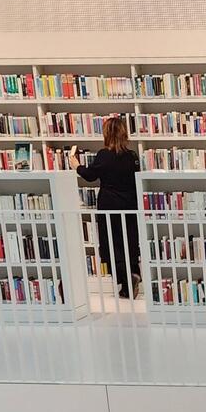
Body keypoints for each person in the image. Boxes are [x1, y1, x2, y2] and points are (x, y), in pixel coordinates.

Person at [71, 116, 140, 299]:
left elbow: (90, 176)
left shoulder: (104, 155)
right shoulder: (132, 156)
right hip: (130, 205)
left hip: (109, 205)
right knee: (130, 241)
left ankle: (125, 281)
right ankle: (133, 276)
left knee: (111, 244)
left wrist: (76, 166)